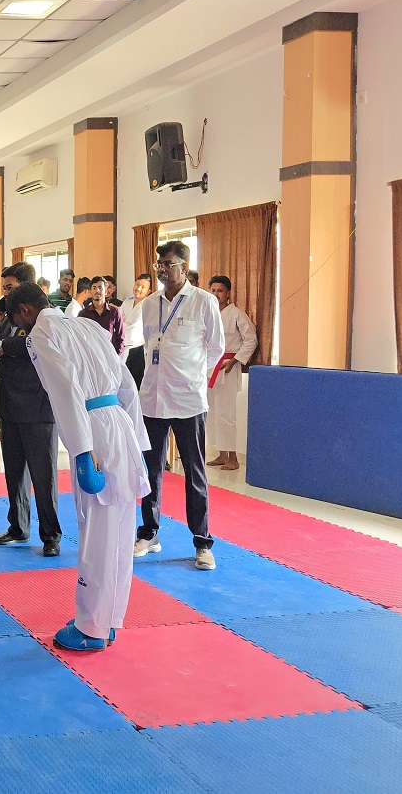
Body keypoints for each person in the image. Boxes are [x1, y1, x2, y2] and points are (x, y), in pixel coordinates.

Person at [6, 283, 151, 651]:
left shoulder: (42, 333)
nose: (20, 328)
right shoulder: (88, 325)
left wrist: (82, 451)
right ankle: (109, 619)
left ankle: (90, 628)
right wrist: (138, 442)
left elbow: (65, 389)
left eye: (17, 321)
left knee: (97, 533)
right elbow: (126, 383)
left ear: (25, 311)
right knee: (120, 530)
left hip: (93, 430)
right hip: (119, 423)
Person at [135, 241, 226, 571]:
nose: (162, 269)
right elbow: (148, 347)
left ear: (184, 268)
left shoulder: (204, 302)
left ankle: (202, 542)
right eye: (159, 264)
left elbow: (216, 348)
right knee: (150, 470)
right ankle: (149, 533)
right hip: (153, 399)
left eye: (168, 264)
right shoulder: (149, 305)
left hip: (188, 399)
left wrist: (192, 375)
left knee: (194, 472)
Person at [0, 263, 61, 556]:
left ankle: (51, 535)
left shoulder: (45, 316)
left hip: (38, 406)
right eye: (4, 288)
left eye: (10, 288)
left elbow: (33, 346)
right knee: (14, 472)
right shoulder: (8, 316)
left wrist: (8, 346)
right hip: (10, 404)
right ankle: (18, 526)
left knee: (44, 475)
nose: (5, 294)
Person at [207, 275, 258, 471]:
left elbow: (251, 340)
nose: (216, 294)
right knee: (212, 412)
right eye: (213, 290)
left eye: (220, 291)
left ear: (228, 293)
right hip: (209, 367)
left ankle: (234, 458)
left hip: (227, 366)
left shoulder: (237, 314)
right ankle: (221, 454)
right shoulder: (208, 313)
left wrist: (234, 361)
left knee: (227, 414)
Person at [78, 276, 126, 355]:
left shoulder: (115, 312)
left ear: (106, 292)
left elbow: (120, 337)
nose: (97, 290)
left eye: (100, 288)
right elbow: (79, 337)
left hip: (110, 355)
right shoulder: (83, 314)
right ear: (90, 292)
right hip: (91, 356)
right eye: (94, 288)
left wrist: (116, 356)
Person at [121, 274, 154, 387]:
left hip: (136, 351)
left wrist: (123, 326)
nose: (138, 288)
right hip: (121, 347)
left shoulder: (147, 305)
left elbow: (133, 334)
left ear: (149, 291)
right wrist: (126, 325)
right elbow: (115, 323)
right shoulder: (127, 302)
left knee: (131, 386)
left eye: (143, 287)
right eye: (137, 284)